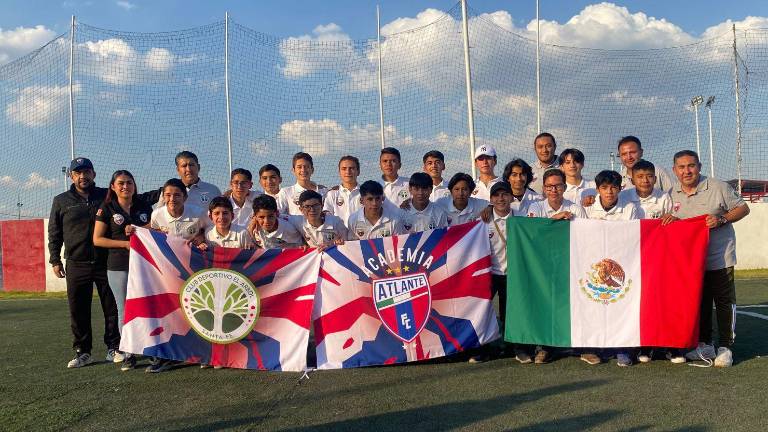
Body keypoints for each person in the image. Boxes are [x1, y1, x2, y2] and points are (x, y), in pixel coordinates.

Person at [661, 150, 749, 368]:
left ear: (699, 166)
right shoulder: (671, 194)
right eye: (681, 167)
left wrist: (721, 219)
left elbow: (743, 208)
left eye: (691, 165)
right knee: (698, 302)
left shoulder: (718, 187)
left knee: (723, 302)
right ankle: (705, 343)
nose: (686, 171)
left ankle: (726, 347)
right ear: (674, 170)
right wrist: (670, 219)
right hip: (690, 263)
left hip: (719, 256)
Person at [49, 157, 120, 368]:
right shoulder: (61, 200)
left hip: (105, 261)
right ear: (71, 176)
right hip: (76, 263)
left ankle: (114, 347)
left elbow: (131, 200)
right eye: (78, 172)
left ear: (94, 174)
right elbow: (55, 232)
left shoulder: (107, 196)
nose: (83, 176)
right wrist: (55, 259)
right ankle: (82, 351)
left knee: (112, 306)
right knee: (78, 309)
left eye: (87, 172)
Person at [616, 160, 681, 364]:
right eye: (640, 176)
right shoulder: (624, 197)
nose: (645, 180)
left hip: (658, 259)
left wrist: (674, 220)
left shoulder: (664, 198)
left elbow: (674, 226)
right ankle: (640, 345)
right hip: (631, 258)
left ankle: (668, 344)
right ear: (632, 179)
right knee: (634, 302)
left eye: (649, 176)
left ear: (655, 177)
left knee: (660, 300)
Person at [93, 170, 152, 371]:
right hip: (118, 266)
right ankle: (128, 353)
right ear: (113, 186)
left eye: (129, 182)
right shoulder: (107, 208)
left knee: (147, 306)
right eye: (121, 183)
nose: (125, 186)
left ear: (134, 185)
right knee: (124, 310)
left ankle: (149, 349)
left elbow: (154, 229)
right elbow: (97, 239)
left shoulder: (144, 206)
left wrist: (140, 229)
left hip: (145, 264)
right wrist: (124, 244)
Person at [147, 178, 208, 373]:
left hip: (193, 272)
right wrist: (135, 230)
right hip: (167, 274)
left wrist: (200, 238)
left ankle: (201, 352)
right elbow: (151, 232)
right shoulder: (157, 214)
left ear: (185, 196)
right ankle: (166, 355)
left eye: (177, 195)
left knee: (196, 310)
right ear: (163, 197)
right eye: (168, 195)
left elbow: (207, 231)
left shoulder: (198, 214)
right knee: (168, 313)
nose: (172, 198)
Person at [585, 170, 639, 367]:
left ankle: (623, 350)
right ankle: (597, 346)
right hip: (595, 266)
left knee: (622, 308)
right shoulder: (588, 209)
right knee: (597, 306)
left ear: (620, 188)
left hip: (624, 265)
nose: (609, 192)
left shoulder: (630, 208)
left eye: (613, 187)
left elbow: (633, 235)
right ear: (598, 189)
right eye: (605, 188)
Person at [476, 181, 532, 364]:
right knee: (483, 312)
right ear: (491, 199)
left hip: (513, 275)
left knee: (512, 313)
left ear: (511, 197)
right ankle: (483, 349)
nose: (501, 198)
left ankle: (516, 347)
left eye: (504, 194)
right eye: (496, 195)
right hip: (489, 274)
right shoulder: (482, 220)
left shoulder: (521, 217)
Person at [324, 155, 361, 226]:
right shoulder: (332, 194)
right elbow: (327, 219)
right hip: (340, 236)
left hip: (363, 235)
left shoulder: (365, 193)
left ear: (358, 171)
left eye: (351, 168)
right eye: (344, 169)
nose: (348, 171)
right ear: (339, 172)